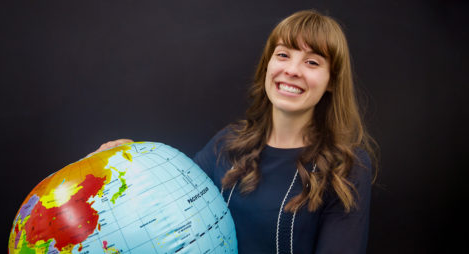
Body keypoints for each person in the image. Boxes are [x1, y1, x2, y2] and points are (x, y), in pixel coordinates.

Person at [94, 9, 376, 254]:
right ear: (268, 64)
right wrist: (129, 160)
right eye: (283, 55)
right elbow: (173, 195)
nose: (291, 70)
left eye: (312, 62)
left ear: (331, 81)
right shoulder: (227, 143)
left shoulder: (348, 167)